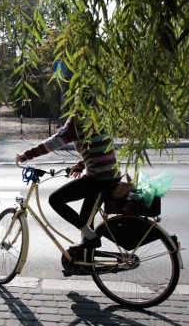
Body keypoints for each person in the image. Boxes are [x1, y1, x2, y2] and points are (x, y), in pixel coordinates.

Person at [16, 105, 120, 250]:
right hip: (112, 175)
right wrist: (82, 164)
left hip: (98, 178)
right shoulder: (98, 116)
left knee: (55, 199)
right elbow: (100, 148)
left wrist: (27, 155)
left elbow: (53, 143)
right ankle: (87, 259)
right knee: (86, 219)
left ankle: (90, 240)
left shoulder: (77, 121)